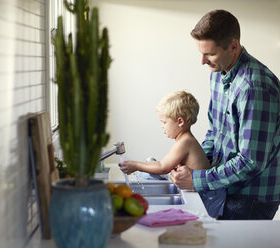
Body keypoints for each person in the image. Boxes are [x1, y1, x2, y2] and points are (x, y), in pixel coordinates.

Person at [170, 9, 280, 220]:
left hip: (251, 199)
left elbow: (250, 162)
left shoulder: (254, 87)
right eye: (200, 52)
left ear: (233, 46)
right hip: (226, 187)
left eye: (210, 54)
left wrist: (198, 179)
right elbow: (215, 132)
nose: (202, 61)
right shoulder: (219, 73)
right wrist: (193, 162)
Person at [119, 91, 226, 217]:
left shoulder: (185, 141)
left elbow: (162, 167)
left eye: (164, 122)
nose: (162, 126)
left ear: (180, 121)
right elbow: (163, 164)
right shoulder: (184, 140)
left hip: (208, 198)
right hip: (206, 194)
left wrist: (135, 165)